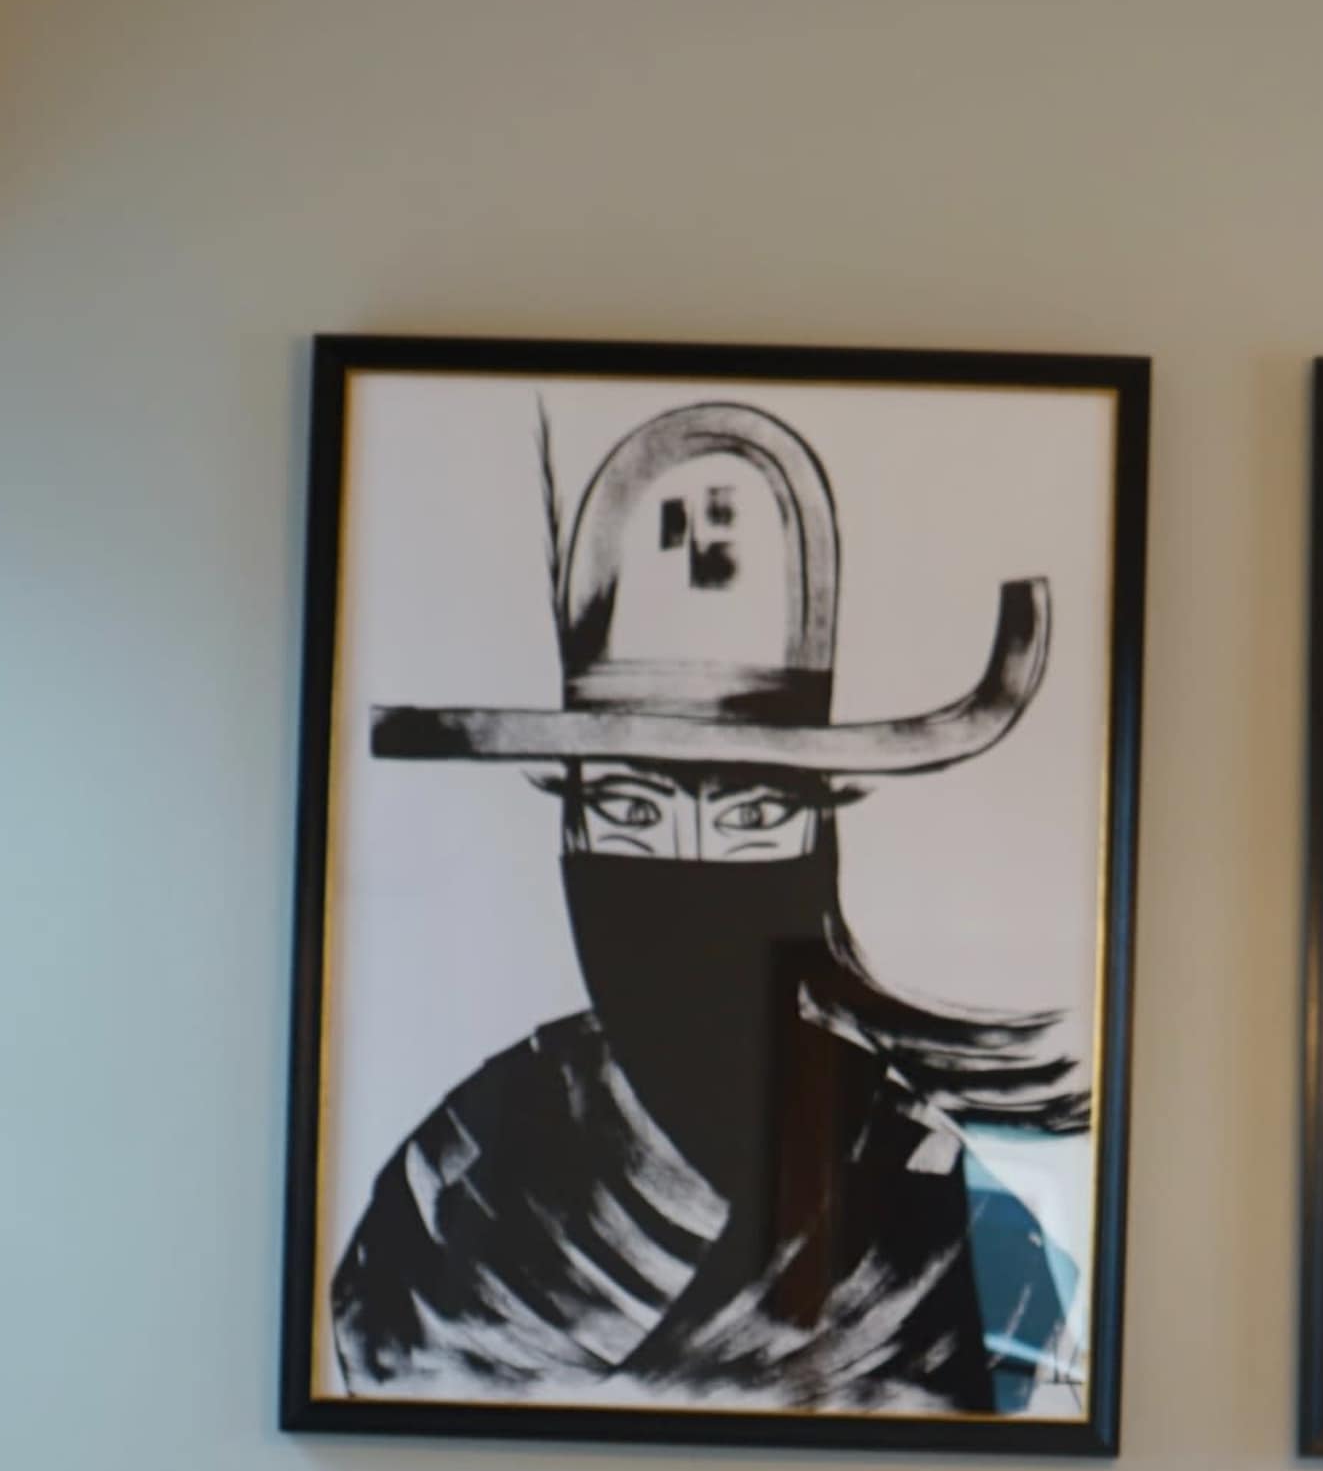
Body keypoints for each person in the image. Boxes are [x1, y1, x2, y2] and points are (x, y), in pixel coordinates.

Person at [331, 399, 1088, 1415]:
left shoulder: (933, 1190)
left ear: (819, 843)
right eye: (632, 813)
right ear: (574, 837)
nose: (689, 878)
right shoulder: (462, 1170)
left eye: (753, 815)